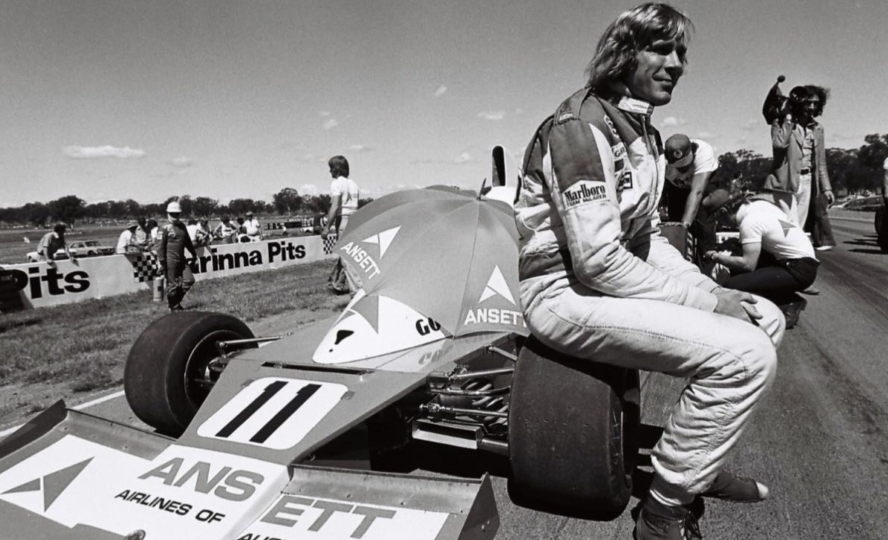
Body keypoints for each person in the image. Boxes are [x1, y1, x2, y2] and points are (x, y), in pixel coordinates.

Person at [513, 5, 784, 539]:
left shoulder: (644, 133)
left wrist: (711, 289)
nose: (677, 63)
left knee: (764, 318)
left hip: (601, 283)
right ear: (623, 54)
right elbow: (597, 261)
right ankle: (664, 512)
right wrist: (710, 304)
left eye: (681, 52)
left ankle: (696, 461)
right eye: (661, 48)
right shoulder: (580, 128)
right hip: (559, 292)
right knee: (746, 357)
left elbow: (646, 240)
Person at [703, 189, 817, 328]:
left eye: (717, 218)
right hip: (801, 263)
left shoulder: (749, 222)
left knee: (731, 286)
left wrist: (715, 256)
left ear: (724, 211)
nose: (719, 223)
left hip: (797, 269)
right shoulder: (758, 206)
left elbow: (748, 264)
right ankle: (783, 296)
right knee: (740, 264)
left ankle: (789, 301)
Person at [763, 84, 835, 228]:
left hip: (807, 180)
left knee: (799, 226)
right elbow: (779, 145)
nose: (812, 107)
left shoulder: (817, 128)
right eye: (808, 103)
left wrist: (827, 188)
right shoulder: (780, 123)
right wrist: (788, 119)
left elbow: (820, 161)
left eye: (816, 103)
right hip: (786, 181)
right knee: (790, 224)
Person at [661, 134, 719, 267]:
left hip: (702, 182)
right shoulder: (660, 162)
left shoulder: (703, 150)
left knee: (703, 219)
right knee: (675, 223)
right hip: (676, 186)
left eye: (685, 163)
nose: (683, 168)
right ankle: (678, 264)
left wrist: (684, 226)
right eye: (678, 165)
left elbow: (697, 192)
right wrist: (679, 230)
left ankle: (707, 264)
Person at [322, 155, 362, 294]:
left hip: (343, 219)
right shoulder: (354, 184)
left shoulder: (336, 183)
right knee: (348, 253)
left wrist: (327, 227)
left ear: (337, 169)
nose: (330, 171)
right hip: (355, 219)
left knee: (346, 258)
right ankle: (337, 282)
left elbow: (335, 205)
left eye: (331, 168)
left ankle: (357, 290)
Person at [157, 201, 198, 311]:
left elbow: (188, 242)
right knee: (173, 284)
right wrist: (162, 262)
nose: (175, 216)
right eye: (172, 213)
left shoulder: (182, 226)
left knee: (189, 280)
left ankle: (174, 302)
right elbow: (160, 247)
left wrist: (194, 254)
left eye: (177, 213)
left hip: (181, 258)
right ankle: (174, 307)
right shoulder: (164, 228)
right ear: (168, 213)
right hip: (170, 260)